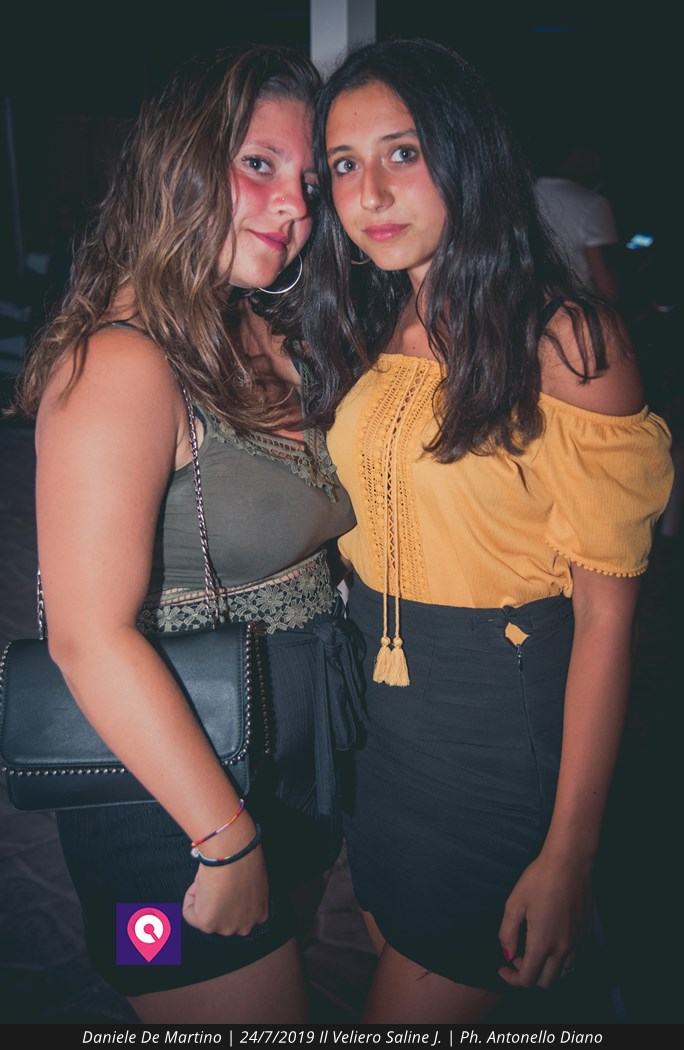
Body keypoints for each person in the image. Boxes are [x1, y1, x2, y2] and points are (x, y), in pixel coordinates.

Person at [303, 39, 674, 1022]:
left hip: (498, 737)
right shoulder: (371, 326)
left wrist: (571, 851)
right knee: (396, 940)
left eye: (404, 152)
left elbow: (606, 620)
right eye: (344, 164)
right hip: (381, 729)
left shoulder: (568, 341)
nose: (372, 192)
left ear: (467, 154)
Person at [12, 46, 360, 1023]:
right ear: (179, 164)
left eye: (307, 183)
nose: (292, 207)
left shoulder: (261, 329)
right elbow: (88, 636)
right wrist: (223, 835)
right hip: (176, 792)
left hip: (287, 753)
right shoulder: (123, 362)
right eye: (257, 164)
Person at [535, 144, 621, 302]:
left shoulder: (521, 194)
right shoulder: (593, 203)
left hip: (523, 305)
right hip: (575, 306)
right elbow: (605, 283)